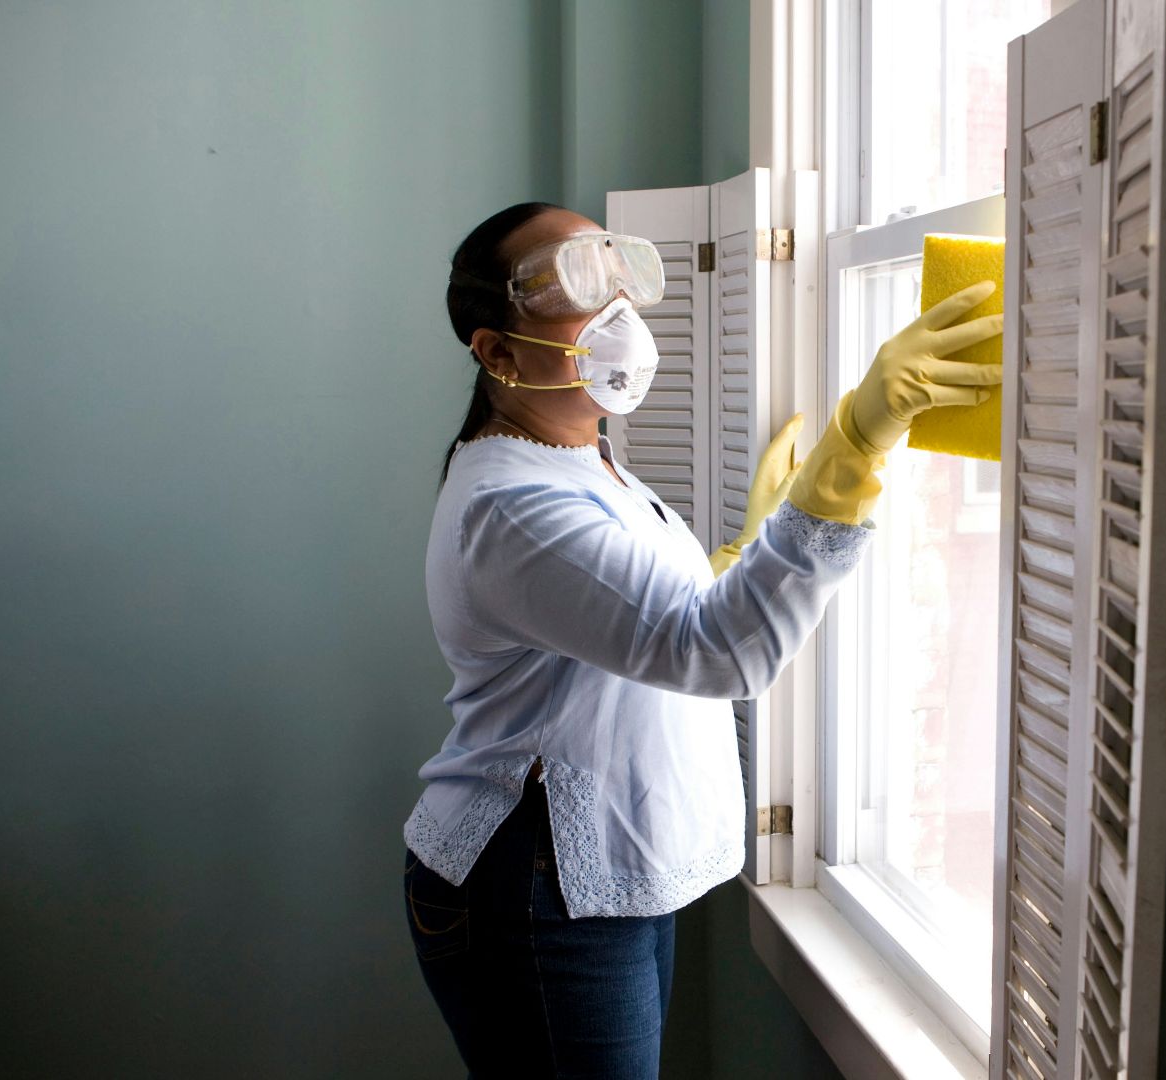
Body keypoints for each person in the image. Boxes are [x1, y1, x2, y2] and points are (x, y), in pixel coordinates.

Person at [402, 201, 1002, 1078]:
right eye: (573, 284)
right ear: (496, 351)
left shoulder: (578, 455)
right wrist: (856, 444)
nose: (615, 310)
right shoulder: (511, 504)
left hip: (590, 870)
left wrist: (740, 553)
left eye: (616, 274)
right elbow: (716, 654)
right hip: (535, 883)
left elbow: (631, 613)